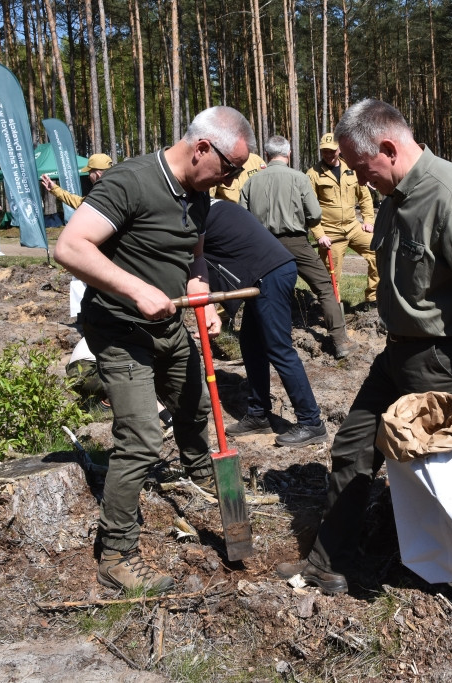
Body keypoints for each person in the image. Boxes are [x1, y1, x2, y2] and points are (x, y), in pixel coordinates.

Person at [276, 99, 452, 613]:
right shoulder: (394, 195)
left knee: (439, 474)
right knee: (352, 450)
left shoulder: (451, 196)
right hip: (397, 355)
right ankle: (328, 562)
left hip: (441, 360)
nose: (357, 177)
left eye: (360, 165)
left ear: (388, 149)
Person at [53, 106, 255, 592]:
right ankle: (117, 552)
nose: (231, 179)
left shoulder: (199, 194)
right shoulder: (131, 182)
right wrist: (135, 290)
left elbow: (195, 255)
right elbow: (71, 247)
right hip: (120, 328)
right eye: (230, 167)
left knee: (195, 402)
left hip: (168, 326)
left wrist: (200, 290)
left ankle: (202, 472)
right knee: (142, 437)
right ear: (202, 148)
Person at [204, 200, 328, 446]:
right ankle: (259, 413)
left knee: (278, 348)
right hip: (263, 271)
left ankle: (311, 422)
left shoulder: (197, 214)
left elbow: (193, 263)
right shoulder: (208, 207)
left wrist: (208, 306)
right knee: (251, 345)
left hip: (270, 273)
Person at [239, 135, 355, 359]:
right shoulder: (299, 178)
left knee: (263, 293)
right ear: (289, 154)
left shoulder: (251, 181)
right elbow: (315, 215)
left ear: (266, 155)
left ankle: (264, 344)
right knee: (324, 287)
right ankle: (341, 342)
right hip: (296, 242)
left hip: (263, 245)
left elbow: (242, 218)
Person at [306, 133, 379, 303]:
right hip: (330, 232)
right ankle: (334, 310)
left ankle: (373, 299)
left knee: (377, 251)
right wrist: (319, 234)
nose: (328, 155)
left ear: (339, 150)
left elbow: (365, 197)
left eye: (331, 151)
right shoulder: (313, 174)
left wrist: (368, 221)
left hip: (353, 227)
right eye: (324, 151)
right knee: (331, 274)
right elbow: (308, 208)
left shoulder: (351, 169)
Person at [41, 153, 114, 209]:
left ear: (98, 175)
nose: (88, 176)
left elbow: (80, 204)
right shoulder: (119, 189)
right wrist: (54, 188)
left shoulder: (100, 196)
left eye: (89, 172)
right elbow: (79, 202)